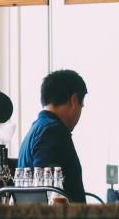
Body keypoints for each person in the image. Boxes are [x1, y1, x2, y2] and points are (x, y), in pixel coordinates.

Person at [17, 69, 87, 203]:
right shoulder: (53, 131)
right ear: (73, 100)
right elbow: (52, 192)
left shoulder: (35, 129)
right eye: (81, 105)